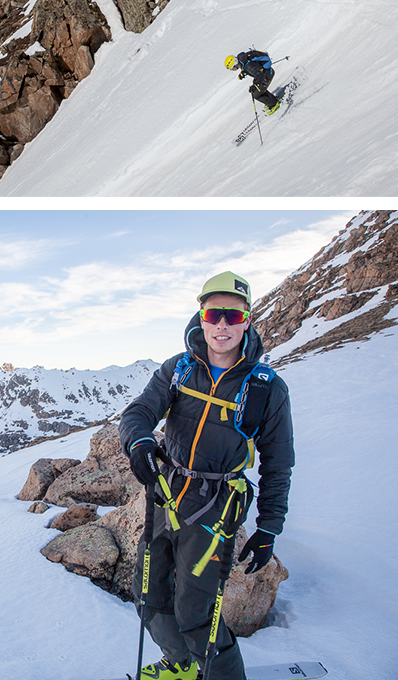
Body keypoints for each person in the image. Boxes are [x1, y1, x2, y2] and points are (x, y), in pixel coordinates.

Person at [120, 271, 295, 680]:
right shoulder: (177, 369)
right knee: (148, 593)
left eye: (232, 316)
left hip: (215, 508)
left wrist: (268, 528)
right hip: (167, 493)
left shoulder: (267, 389)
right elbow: (139, 412)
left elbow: (277, 462)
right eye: (213, 313)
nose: (221, 324)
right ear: (200, 316)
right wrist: (139, 442)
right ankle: (181, 665)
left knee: (197, 613)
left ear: (247, 320)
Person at [226, 50, 281, 115]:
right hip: (265, 72)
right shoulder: (243, 60)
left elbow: (260, 75)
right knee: (259, 89)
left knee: (256, 94)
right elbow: (254, 67)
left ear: (235, 64)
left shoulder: (248, 66)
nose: (232, 70)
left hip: (267, 74)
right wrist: (244, 72)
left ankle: (273, 104)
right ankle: (271, 100)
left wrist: (255, 86)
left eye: (232, 68)